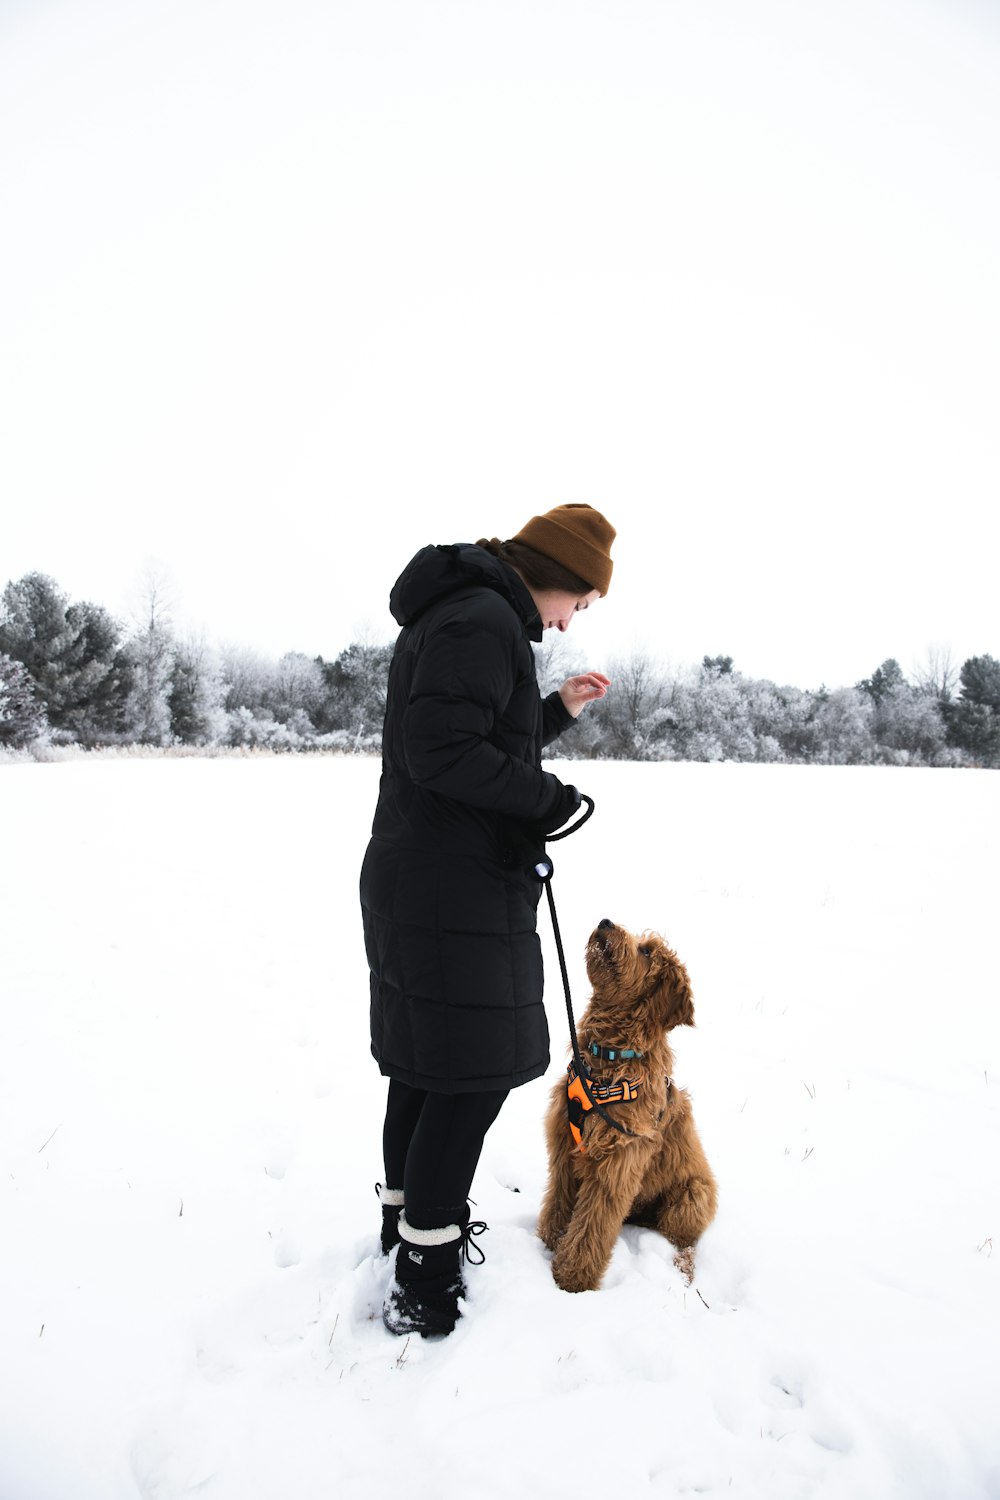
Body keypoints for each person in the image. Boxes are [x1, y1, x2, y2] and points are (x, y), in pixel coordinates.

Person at [359, 502, 615, 1337]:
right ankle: (425, 1282)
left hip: (430, 876)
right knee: (469, 1076)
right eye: (579, 599)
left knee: (429, 1066)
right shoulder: (481, 619)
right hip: (449, 887)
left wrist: (553, 712)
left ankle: (405, 1236)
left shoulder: (472, 613)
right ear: (558, 574)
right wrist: (547, 798)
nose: (572, 618)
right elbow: (443, 752)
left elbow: (474, 733)